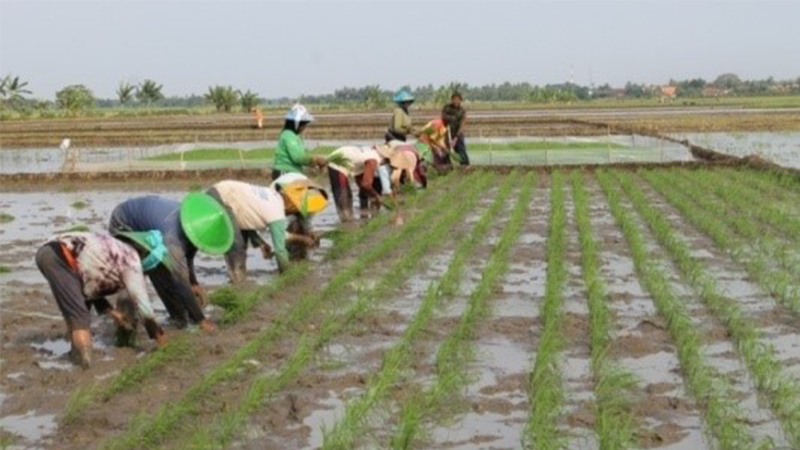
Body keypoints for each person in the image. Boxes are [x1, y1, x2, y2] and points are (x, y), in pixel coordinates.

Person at [35, 231, 168, 368]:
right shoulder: (132, 262)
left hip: (48, 252)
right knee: (80, 316)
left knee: (75, 306)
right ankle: (84, 365)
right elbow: (145, 311)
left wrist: (113, 313)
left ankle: (74, 352)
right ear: (147, 256)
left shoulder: (117, 248)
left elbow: (88, 291)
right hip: (60, 257)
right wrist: (162, 342)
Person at [108, 193, 234, 331]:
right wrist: (201, 320)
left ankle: (179, 317)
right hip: (124, 224)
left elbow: (189, 254)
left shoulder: (191, 221)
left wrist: (194, 283)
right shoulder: (172, 238)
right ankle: (126, 317)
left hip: (147, 222)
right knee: (155, 267)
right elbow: (181, 281)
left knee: (165, 266)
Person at [207, 177, 327, 279]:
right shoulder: (276, 211)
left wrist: (261, 243)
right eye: (296, 211)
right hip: (223, 197)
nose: (293, 214)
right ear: (292, 204)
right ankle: (239, 283)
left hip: (222, 192)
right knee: (237, 245)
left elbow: (245, 220)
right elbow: (280, 250)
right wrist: (287, 275)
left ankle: (238, 278)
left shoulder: (272, 196)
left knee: (240, 241)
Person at [327, 145, 393, 221]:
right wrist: (376, 195)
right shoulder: (373, 160)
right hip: (338, 161)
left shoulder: (369, 155)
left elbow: (360, 181)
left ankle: (348, 220)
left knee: (348, 194)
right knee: (343, 194)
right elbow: (366, 184)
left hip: (341, 157)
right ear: (385, 159)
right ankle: (346, 222)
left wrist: (372, 196)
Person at [272, 104, 327, 180]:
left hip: (293, 173)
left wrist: (313, 163)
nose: (304, 127)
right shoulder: (288, 135)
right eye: (303, 125)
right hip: (284, 173)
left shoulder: (296, 136)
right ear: (297, 124)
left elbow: (302, 155)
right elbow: (298, 158)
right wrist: (315, 159)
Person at [442, 91, 469, 166]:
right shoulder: (447, 108)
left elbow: (462, 124)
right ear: (451, 100)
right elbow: (443, 117)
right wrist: (450, 119)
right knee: (445, 150)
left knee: (461, 150)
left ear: (460, 100)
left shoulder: (462, 111)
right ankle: (446, 167)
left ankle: (465, 166)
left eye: (458, 99)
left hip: (458, 134)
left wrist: (456, 138)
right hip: (447, 132)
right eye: (454, 99)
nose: (456, 101)